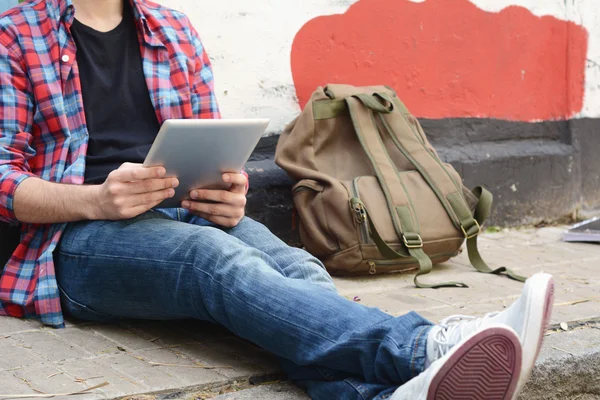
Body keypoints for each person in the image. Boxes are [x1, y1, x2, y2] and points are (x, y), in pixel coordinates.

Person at [0, 1, 555, 399]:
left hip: (179, 210)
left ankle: (374, 396)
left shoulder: (171, 28)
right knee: (211, 261)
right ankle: (420, 347)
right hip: (74, 242)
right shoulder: (14, 30)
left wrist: (227, 190)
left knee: (297, 267)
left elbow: (211, 145)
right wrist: (98, 200)